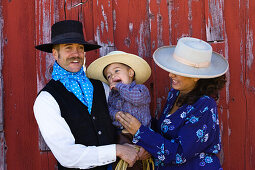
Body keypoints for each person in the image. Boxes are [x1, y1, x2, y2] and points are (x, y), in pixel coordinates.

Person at [33, 20, 139, 170]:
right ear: (56, 54)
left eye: (80, 48)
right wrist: (116, 150)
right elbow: (68, 155)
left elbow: (129, 115)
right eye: (68, 48)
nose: (76, 54)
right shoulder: (46, 100)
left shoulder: (102, 87)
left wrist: (144, 143)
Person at [116, 37, 229, 170]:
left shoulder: (205, 106)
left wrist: (140, 132)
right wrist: (136, 119)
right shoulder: (175, 94)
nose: (170, 75)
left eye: (177, 71)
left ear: (195, 76)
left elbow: (180, 154)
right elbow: (165, 134)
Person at [86, 51, 152, 169]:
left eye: (117, 71)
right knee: (120, 164)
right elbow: (109, 110)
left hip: (140, 136)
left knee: (139, 164)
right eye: (109, 76)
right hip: (120, 136)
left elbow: (137, 98)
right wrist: (115, 114)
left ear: (130, 73)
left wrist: (120, 86)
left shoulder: (140, 89)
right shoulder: (113, 95)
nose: (113, 76)